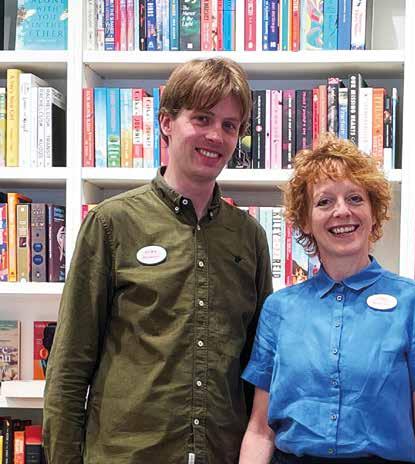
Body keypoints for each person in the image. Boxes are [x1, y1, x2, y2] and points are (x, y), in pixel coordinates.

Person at [43, 58, 273, 464]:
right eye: (202, 118)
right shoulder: (111, 223)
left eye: (229, 125)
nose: (215, 136)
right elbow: (69, 366)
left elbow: (257, 369)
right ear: (167, 122)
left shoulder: (249, 236)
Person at [239, 135, 415, 464]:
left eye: (355, 198)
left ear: (374, 212)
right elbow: (260, 430)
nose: (342, 211)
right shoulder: (279, 309)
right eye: (324, 202)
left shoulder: (414, 303)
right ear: (305, 221)